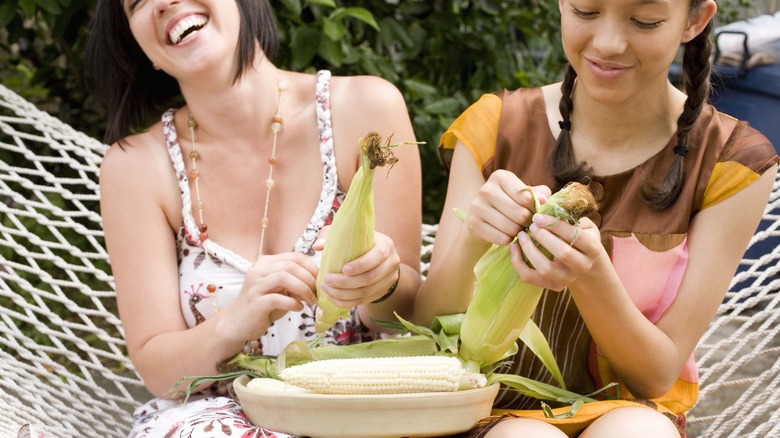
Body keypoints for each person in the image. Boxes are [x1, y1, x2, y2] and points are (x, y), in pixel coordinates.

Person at [414, 0, 778, 437]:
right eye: (586, 11)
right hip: (486, 409)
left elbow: (656, 376)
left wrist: (592, 279)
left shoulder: (730, 161)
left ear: (695, 21)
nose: (607, 43)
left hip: (634, 409)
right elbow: (427, 330)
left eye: (645, 21)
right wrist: (474, 236)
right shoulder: (494, 128)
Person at [83, 0, 422, 436]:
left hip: (356, 411)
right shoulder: (135, 168)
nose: (165, 1)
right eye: (138, 3)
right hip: (216, 419)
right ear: (143, 48)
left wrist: (384, 282)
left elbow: (410, 312)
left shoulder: (366, 109)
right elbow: (158, 370)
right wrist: (232, 322)